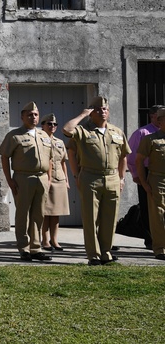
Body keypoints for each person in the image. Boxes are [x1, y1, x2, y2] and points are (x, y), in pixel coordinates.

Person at [62, 97, 130, 265]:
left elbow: (123, 157)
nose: (102, 112)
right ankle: (93, 255)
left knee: (110, 217)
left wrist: (122, 178)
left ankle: (106, 252)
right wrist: (82, 114)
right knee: (90, 218)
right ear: (91, 113)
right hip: (90, 177)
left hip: (112, 177)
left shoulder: (116, 131)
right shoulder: (83, 130)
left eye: (105, 109)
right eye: (98, 109)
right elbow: (66, 129)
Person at [0, 101, 54, 262]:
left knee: (38, 214)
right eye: (29, 115)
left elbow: (50, 158)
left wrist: (49, 178)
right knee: (23, 215)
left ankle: (36, 248)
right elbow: (4, 157)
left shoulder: (44, 135)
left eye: (36, 114)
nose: (33, 117)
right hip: (23, 178)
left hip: (42, 178)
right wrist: (9, 180)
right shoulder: (14, 135)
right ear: (22, 117)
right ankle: (24, 248)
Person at [127, 105, 162, 250]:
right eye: (159, 115)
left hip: (160, 171)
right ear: (152, 116)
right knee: (148, 207)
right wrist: (136, 175)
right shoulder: (142, 133)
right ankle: (150, 239)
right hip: (146, 172)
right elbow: (132, 156)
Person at [134, 121, 165, 261]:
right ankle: (160, 248)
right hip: (158, 180)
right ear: (160, 121)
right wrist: (144, 182)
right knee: (158, 215)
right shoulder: (150, 139)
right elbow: (138, 160)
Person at [40, 113, 70, 251]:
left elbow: (63, 162)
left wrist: (67, 180)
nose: (52, 126)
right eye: (49, 124)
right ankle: (45, 240)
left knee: (56, 212)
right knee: (46, 212)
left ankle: (54, 240)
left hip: (59, 178)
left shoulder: (59, 142)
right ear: (43, 125)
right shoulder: (40, 139)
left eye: (54, 124)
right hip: (46, 178)